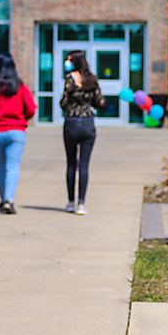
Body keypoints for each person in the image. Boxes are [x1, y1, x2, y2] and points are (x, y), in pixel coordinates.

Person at [0, 52, 36, 214]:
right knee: (13, 167)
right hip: (16, 131)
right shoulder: (21, 87)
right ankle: (8, 200)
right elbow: (31, 109)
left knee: (0, 168)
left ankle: (2, 199)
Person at [59, 50, 104, 216]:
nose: (67, 63)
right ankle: (81, 204)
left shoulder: (70, 78)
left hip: (71, 123)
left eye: (69, 60)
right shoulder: (92, 79)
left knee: (71, 164)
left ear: (75, 62)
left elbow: (64, 102)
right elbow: (99, 101)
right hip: (87, 124)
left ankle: (70, 201)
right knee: (84, 165)